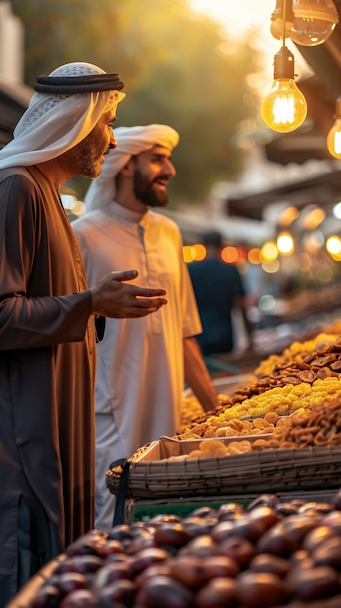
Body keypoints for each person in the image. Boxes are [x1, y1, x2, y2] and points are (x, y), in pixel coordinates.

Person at [0, 62, 169, 605]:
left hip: (60, 426)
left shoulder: (47, 195)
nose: (113, 138)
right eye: (107, 122)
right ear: (73, 122)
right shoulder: (17, 190)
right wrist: (90, 302)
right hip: (27, 439)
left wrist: (94, 308)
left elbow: (51, 307)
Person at [73, 124, 219, 532]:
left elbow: (186, 330)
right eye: (157, 159)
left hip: (170, 416)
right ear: (123, 165)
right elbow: (65, 323)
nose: (169, 169)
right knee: (112, 523)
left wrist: (216, 413)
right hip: (107, 414)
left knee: (166, 523)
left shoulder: (170, 233)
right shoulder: (84, 235)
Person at [188, 230, 254, 356]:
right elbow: (241, 306)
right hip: (225, 336)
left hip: (197, 336)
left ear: (203, 245)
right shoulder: (230, 271)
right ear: (221, 246)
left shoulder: (191, 270)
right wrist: (250, 338)